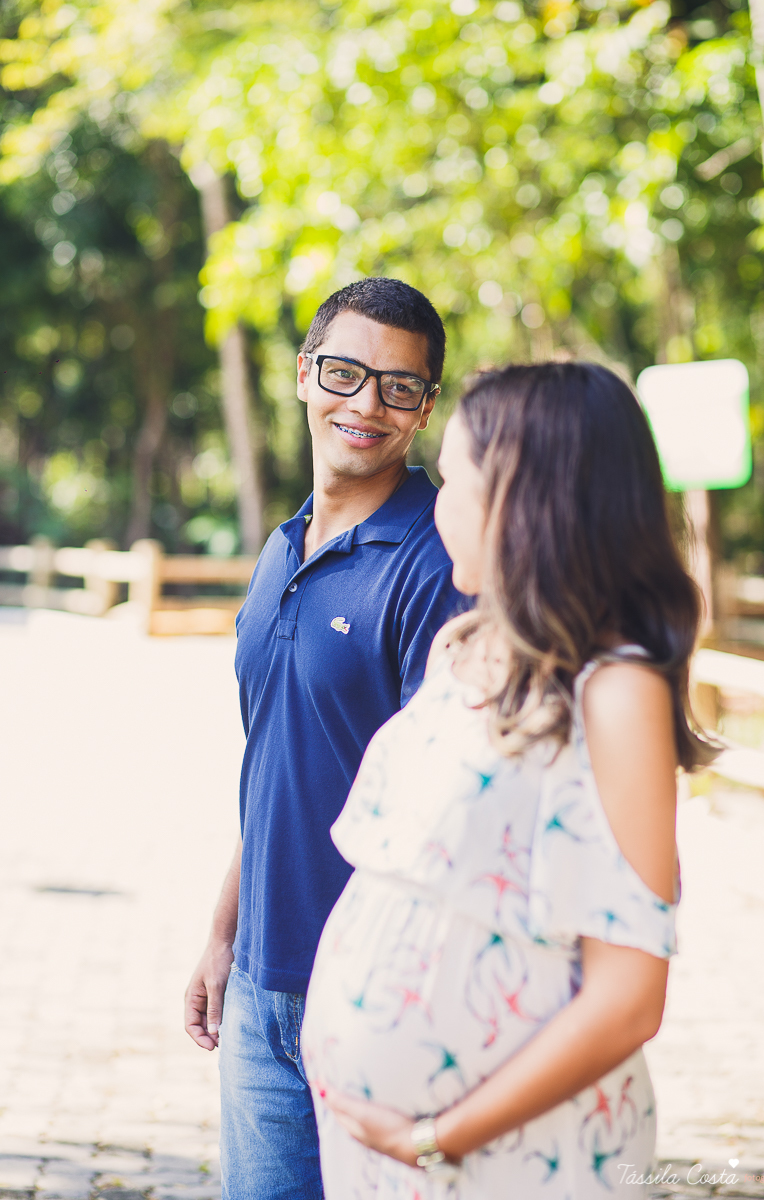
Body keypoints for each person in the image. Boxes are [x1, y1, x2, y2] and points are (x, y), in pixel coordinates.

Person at [301, 361, 715, 1198]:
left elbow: (630, 995)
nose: (435, 504)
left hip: (507, 1160)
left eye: (455, 480)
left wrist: (434, 1136)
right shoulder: (473, 647)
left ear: (526, 503)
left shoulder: (615, 690)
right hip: (384, 1160)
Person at [184, 278, 464, 1199]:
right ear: (305, 376)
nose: (366, 405)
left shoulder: (439, 566)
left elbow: (456, 803)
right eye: (344, 373)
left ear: (425, 410)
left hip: (380, 994)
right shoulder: (282, 548)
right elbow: (276, 760)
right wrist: (225, 933)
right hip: (263, 988)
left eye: (399, 387)